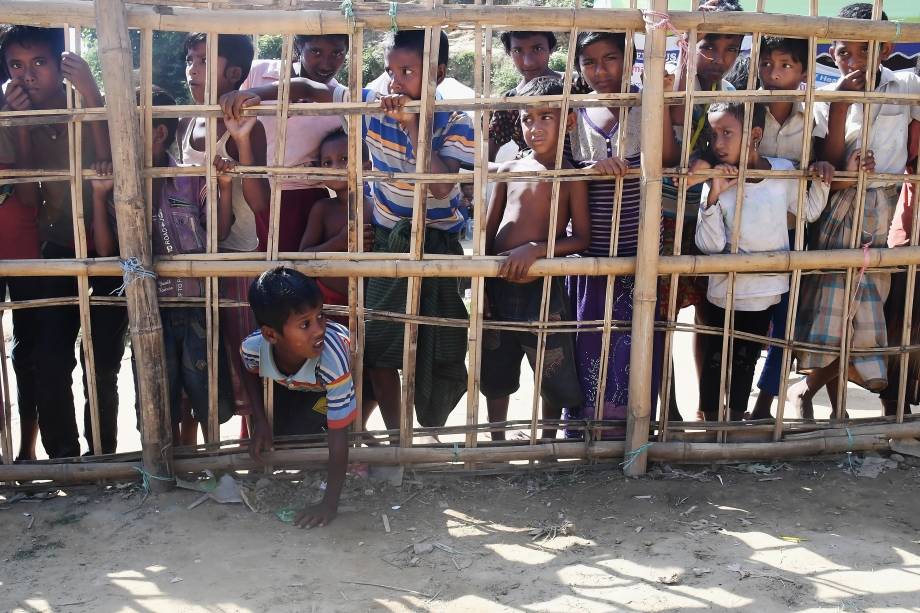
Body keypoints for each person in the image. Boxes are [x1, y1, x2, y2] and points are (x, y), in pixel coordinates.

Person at [221, 29, 475, 434]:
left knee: (439, 348)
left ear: (438, 73)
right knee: (378, 349)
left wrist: (412, 125)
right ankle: (396, 438)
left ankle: (427, 430)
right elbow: (308, 87)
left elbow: (442, 186)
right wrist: (256, 96)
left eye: (408, 71)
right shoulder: (372, 106)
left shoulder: (458, 120)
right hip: (390, 242)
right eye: (391, 71)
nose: (395, 82)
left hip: (436, 243)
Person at [790, 3, 920, 419]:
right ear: (833, 54)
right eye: (845, 52)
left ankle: (810, 392)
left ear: (884, 51)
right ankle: (810, 393)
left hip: (883, 208)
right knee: (836, 310)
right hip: (840, 208)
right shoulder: (828, 98)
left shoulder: (907, 85)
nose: (855, 61)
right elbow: (825, 158)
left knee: (865, 313)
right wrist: (843, 104)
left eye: (865, 51)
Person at [1, 25, 124, 458]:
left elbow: (110, 161)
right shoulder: (16, 115)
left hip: (110, 245)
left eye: (39, 63)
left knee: (104, 362)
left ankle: (104, 454)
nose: (27, 75)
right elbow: (28, 195)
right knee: (50, 358)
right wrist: (20, 127)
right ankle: (66, 460)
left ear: (60, 64)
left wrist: (91, 96)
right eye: (17, 65)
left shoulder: (84, 101)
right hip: (56, 246)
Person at [90, 87, 235, 440]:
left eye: (130, 127)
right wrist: (98, 195)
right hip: (148, 308)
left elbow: (219, 231)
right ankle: (165, 466)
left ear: (159, 133)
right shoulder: (120, 186)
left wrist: (226, 187)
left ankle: (213, 461)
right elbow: (106, 249)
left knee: (207, 394)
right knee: (157, 395)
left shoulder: (189, 177)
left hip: (196, 301)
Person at [562, 31, 679, 439]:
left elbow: (666, 157)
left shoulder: (644, 103)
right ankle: (589, 430)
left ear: (629, 61)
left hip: (642, 248)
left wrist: (658, 101)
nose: (600, 70)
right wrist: (589, 171)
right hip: (593, 252)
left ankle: (632, 430)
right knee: (591, 341)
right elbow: (559, 171)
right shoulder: (576, 113)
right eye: (589, 62)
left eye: (610, 59)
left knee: (639, 342)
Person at [691, 102, 833, 422]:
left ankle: (737, 421)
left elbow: (807, 212)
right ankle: (712, 423)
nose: (719, 143)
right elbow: (709, 245)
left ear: (755, 134)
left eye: (728, 133)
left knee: (746, 359)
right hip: (723, 291)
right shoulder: (717, 180)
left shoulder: (783, 172)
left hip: (766, 290)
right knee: (715, 359)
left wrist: (822, 181)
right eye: (714, 135)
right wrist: (713, 196)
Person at [482, 76, 589, 440]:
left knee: (551, 367)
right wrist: (480, 283)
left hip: (543, 288)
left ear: (569, 121)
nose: (535, 127)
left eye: (547, 117)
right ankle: (496, 439)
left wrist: (537, 250)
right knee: (496, 368)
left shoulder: (571, 175)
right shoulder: (509, 169)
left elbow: (582, 238)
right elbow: (486, 229)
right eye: (528, 119)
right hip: (499, 286)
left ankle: (546, 440)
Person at [182, 32, 269, 432]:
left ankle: (252, 440)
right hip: (194, 253)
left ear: (233, 72)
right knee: (202, 349)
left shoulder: (247, 125)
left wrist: (242, 143)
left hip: (235, 256)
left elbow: (260, 201)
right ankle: (202, 444)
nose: (191, 69)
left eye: (202, 61)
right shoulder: (188, 119)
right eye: (190, 59)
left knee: (241, 350)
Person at [663, 0, 744, 422]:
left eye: (732, 49)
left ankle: (707, 408)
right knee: (661, 314)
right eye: (710, 47)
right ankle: (669, 410)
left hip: (711, 211)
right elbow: (675, 116)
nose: (721, 59)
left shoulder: (732, 95)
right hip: (666, 211)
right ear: (689, 44)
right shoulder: (670, 82)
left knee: (710, 312)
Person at [241, 267, 356, 528]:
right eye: (305, 324)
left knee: (321, 429)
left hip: (338, 382)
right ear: (271, 335)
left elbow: (339, 436)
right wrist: (259, 421)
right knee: (285, 433)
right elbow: (246, 369)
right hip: (297, 385)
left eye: (320, 316)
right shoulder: (253, 348)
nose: (319, 330)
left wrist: (329, 504)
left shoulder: (332, 357)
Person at [747, 36, 812, 420]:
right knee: (742, 316)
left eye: (786, 65)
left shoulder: (814, 115)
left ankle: (763, 404)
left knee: (787, 321)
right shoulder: (746, 111)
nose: (774, 74)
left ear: (804, 71)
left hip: (792, 229)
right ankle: (730, 402)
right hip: (748, 230)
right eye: (767, 64)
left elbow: (822, 164)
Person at [241, 34, 349, 251]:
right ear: (299, 46)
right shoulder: (259, 73)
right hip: (251, 189)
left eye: (337, 53)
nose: (326, 63)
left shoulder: (338, 99)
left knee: (296, 275)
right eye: (316, 51)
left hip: (305, 201)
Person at [0, 62, 42, 461]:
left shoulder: (15, 103)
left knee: (27, 355)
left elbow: (30, 198)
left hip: (24, 249)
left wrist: (20, 125)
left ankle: (26, 454)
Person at [489, 31, 563, 161]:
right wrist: (513, 169)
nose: (528, 62)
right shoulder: (509, 102)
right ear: (508, 52)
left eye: (537, 49)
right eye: (517, 51)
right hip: (529, 179)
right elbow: (484, 161)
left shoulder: (576, 86)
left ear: (551, 48)